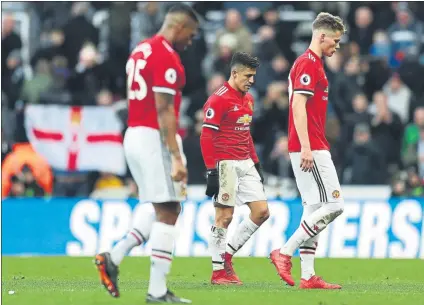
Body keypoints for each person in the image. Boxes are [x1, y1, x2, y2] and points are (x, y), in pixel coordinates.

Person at [93, 4, 199, 303]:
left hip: (134, 133)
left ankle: (113, 258)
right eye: (190, 35)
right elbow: (164, 109)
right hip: (154, 137)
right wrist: (177, 156)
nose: (190, 41)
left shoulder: (141, 50)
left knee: (161, 206)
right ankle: (157, 291)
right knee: (169, 210)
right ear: (179, 28)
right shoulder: (166, 56)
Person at [269, 12, 346, 289]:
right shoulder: (307, 64)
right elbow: (298, 106)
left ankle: (308, 275)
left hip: (310, 143)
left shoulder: (312, 64)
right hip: (310, 145)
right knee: (335, 205)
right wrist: (305, 147)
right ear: (321, 35)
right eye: (334, 41)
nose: (336, 47)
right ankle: (284, 252)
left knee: (313, 208)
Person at [200, 52, 270, 285]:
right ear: (234, 73)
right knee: (225, 217)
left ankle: (227, 255)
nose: (251, 81)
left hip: (245, 161)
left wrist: (257, 163)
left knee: (262, 212)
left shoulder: (248, 100)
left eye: (254, 76)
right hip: (225, 163)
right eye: (248, 76)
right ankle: (218, 271)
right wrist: (211, 171)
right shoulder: (218, 99)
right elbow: (206, 136)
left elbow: (246, 132)